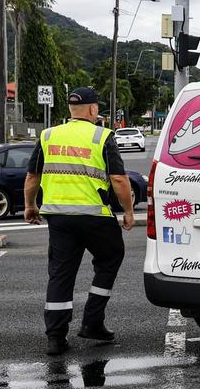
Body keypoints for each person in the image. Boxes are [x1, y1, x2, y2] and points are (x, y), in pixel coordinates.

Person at [23, 87, 134, 356]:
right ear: (93, 110)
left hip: (59, 217)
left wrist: (30, 206)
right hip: (95, 216)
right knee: (110, 258)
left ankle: (55, 337)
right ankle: (93, 321)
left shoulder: (49, 135)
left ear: (71, 110)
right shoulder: (102, 135)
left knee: (61, 274)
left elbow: (32, 176)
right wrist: (128, 211)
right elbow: (118, 179)